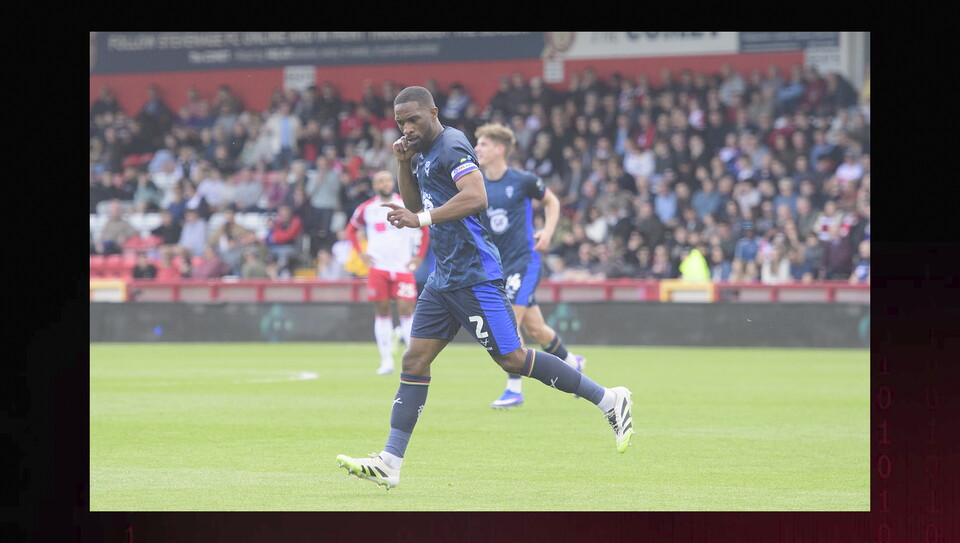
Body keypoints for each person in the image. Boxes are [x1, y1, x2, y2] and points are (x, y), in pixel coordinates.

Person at [336, 86, 636, 490]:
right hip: (444, 277)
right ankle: (390, 462)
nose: (407, 128)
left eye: (414, 120)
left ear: (433, 113)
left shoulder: (452, 143)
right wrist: (404, 164)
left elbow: (476, 198)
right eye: (401, 123)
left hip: (475, 274)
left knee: (513, 358)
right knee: (414, 361)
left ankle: (610, 399)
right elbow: (414, 202)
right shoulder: (422, 152)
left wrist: (422, 220)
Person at [473, 122, 586, 408]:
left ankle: (514, 388)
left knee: (510, 320)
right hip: (498, 266)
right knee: (536, 330)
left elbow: (552, 202)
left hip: (525, 261)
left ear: (500, 149)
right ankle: (575, 364)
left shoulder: (522, 180)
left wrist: (547, 232)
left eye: (483, 144)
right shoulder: (477, 185)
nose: (477, 149)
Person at [345, 170, 430, 375]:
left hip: (402, 267)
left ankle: (412, 360)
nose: (386, 183)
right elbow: (351, 230)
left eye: (389, 179)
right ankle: (386, 361)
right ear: (375, 186)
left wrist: (419, 256)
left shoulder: (406, 204)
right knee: (382, 311)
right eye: (381, 181)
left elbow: (425, 228)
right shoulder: (367, 209)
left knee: (406, 309)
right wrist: (361, 254)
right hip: (378, 268)